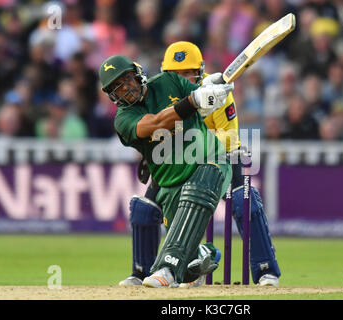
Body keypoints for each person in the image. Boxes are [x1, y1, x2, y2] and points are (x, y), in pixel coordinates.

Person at [119, 41, 281, 287]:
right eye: (176, 74)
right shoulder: (162, 92)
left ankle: (265, 270)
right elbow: (158, 127)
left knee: (243, 202)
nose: (183, 78)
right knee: (144, 208)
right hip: (175, 160)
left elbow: (229, 137)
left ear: (200, 71)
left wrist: (199, 127)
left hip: (219, 158)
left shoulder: (218, 91)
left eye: (188, 73)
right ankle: (147, 272)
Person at [98, 54, 234, 288]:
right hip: (170, 182)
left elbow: (200, 94)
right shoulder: (124, 119)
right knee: (188, 266)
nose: (126, 89)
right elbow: (157, 123)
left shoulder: (168, 81)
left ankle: (165, 269)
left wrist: (211, 90)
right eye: (117, 88)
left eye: (128, 80)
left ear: (138, 73)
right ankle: (204, 254)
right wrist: (193, 101)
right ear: (112, 96)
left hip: (211, 159)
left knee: (203, 180)